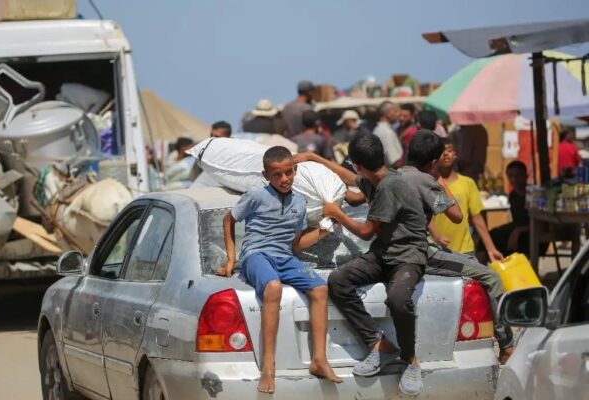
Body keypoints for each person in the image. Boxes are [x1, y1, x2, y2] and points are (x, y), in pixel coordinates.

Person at [295, 133, 427, 396]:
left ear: (357, 164)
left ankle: (410, 360)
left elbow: (366, 232)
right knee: (338, 281)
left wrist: (336, 214)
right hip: (383, 254)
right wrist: (313, 159)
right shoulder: (375, 177)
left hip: (407, 255)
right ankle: (378, 344)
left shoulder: (389, 187)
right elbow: (351, 186)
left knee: (398, 298)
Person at [215, 146, 341, 393]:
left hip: (284, 257)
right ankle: (268, 368)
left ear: (295, 171)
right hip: (256, 255)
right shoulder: (256, 195)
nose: (284, 179)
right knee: (273, 287)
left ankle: (319, 360)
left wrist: (322, 232)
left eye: (288, 173)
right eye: (277, 175)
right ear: (266, 175)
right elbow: (229, 219)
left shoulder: (299, 203)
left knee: (319, 289)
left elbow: (296, 245)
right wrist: (231, 259)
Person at [404, 131, 514, 364]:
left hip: (420, 251)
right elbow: (456, 215)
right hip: (424, 252)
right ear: (433, 162)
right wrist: (442, 185)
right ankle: (506, 344)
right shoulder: (427, 183)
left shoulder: (394, 177)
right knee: (491, 278)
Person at [430, 138, 504, 262]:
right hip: (437, 250)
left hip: (465, 250)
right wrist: (436, 236)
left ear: (455, 155)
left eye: (449, 150)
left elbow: (477, 218)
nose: (446, 154)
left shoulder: (467, 183)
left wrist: (491, 249)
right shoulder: (430, 184)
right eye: (442, 151)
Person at [478, 161, 533, 260]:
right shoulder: (513, 196)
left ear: (526, 176)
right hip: (516, 229)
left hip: (531, 233)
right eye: (511, 176)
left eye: (517, 176)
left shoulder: (533, 195)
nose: (514, 180)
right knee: (488, 237)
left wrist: (518, 231)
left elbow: (538, 223)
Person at [373, 102, 403, 168]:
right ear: (388, 114)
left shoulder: (378, 129)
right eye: (395, 111)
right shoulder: (387, 132)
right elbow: (394, 160)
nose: (398, 114)